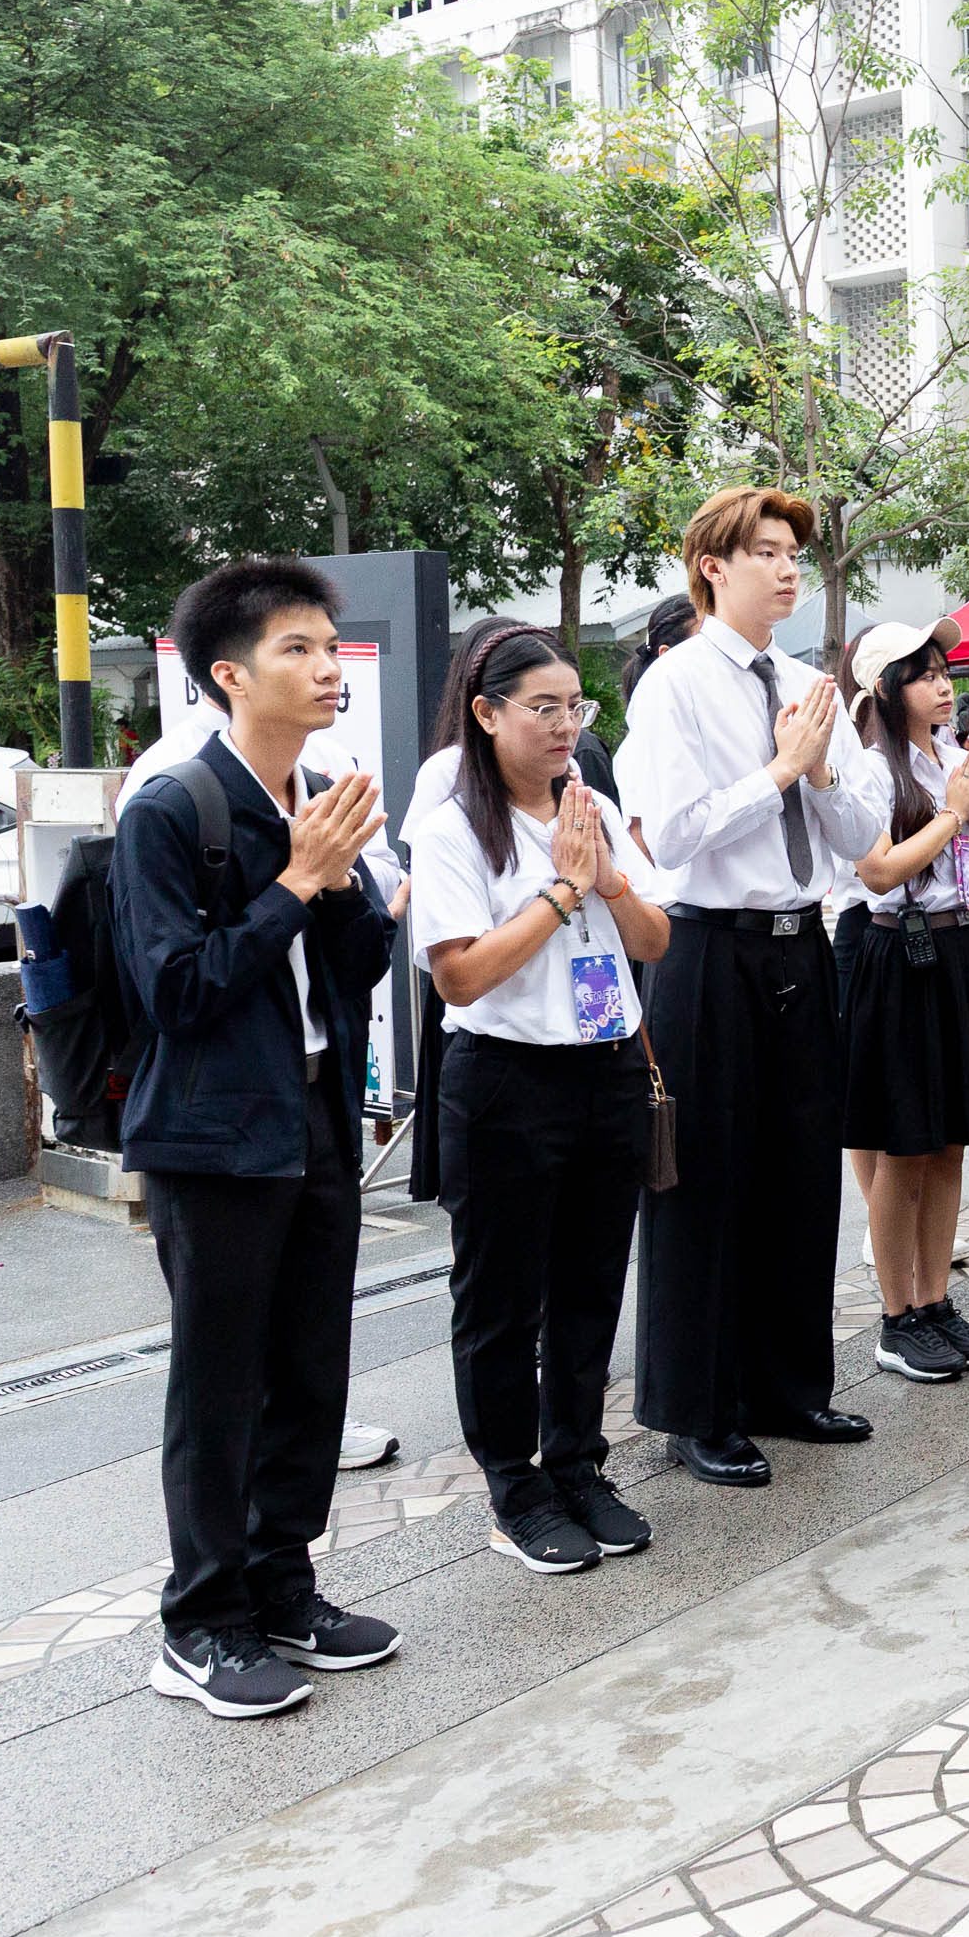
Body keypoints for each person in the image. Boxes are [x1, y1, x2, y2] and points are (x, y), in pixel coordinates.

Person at [117, 559, 402, 1719]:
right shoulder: (170, 808)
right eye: (298, 648)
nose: (328, 666)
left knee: (310, 1371)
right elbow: (175, 990)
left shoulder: (317, 794)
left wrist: (339, 888)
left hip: (316, 1119)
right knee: (220, 1383)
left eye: (329, 645)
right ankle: (200, 1621)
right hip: (213, 1138)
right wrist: (295, 882)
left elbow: (362, 965)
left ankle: (284, 1585)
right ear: (229, 674)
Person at [615, 487, 884, 1487]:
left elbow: (862, 834)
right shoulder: (675, 684)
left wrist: (816, 773)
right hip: (706, 948)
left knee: (800, 1171)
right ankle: (697, 1406)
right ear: (712, 567)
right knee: (703, 1182)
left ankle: (788, 1386)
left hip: (799, 944)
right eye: (764, 551)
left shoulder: (811, 686)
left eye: (792, 553)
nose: (785, 568)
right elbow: (672, 834)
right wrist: (777, 771)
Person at [409, 624, 671, 1576]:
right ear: (487, 714)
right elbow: (460, 975)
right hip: (505, 1080)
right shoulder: (453, 825)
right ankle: (513, 1488)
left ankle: (578, 1464)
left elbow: (652, 940)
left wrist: (606, 878)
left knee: (591, 1285)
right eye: (544, 707)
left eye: (575, 706)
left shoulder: (588, 804)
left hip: (606, 1067)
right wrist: (562, 891)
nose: (566, 725)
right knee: (501, 1299)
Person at [842, 617, 969, 1383]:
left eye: (945, 671)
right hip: (900, 952)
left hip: (961, 948)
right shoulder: (867, 770)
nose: (944, 685)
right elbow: (879, 872)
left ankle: (935, 1301)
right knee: (904, 1145)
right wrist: (953, 813)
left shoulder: (959, 761)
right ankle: (896, 1318)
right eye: (923, 674)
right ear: (887, 689)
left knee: (948, 1140)